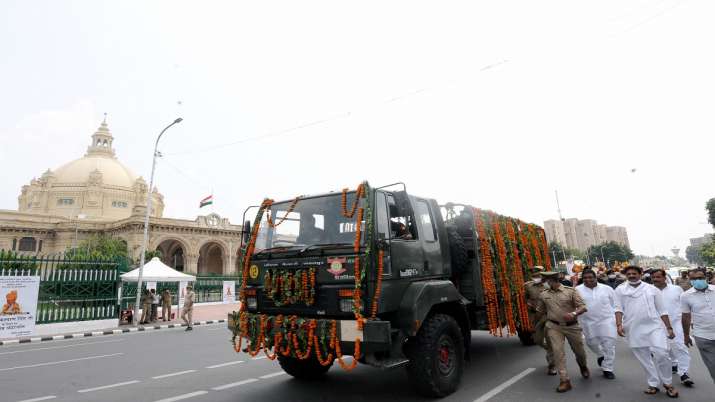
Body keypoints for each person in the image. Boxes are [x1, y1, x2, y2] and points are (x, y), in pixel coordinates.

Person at [615, 265, 678, 397]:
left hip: (654, 326)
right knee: (644, 359)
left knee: (662, 354)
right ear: (626, 275)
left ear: (641, 274)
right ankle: (653, 384)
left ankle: (668, 383)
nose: (631, 276)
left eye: (634, 273)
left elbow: (662, 310)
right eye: (629, 274)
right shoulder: (620, 290)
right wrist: (619, 324)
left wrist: (669, 327)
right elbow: (618, 308)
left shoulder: (652, 289)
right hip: (632, 327)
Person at [536, 271, 589, 393]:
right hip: (554, 327)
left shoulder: (571, 291)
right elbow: (540, 310)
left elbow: (583, 307)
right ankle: (565, 380)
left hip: (572, 326)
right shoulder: (543, 294)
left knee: (579, 351)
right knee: (558, 352)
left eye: (546, 280)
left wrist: (574, 313)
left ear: (553, 280)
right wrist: (535, 322)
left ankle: (583, 366)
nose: (544, 283)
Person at [651, 268, 694, 387]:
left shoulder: (676, 289)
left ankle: (684, 373)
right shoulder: (649, 291)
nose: (655, 279)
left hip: (676, 324)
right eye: (653, 277)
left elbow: (685, 306)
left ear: (665, 278)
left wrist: (689, 321)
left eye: (658, 277)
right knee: (663, 351)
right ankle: (673, 364)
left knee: (681, 347)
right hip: (657, 326)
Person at [576, 269, 617, 379]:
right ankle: (600, 355)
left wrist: (617, 321)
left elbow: (615, 305)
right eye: (585, 278)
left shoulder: (607, 289)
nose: (588, 280)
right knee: (591, 343)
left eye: (590, 277)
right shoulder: (577, 290)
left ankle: (608, 368)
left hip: (607, 320)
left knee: (609, 345)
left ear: (595, 277)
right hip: (587, 322)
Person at [681, 267, 715, 383]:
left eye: (700, 278)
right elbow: (686, 317)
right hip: (703, 336)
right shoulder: (685, 296)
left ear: (706, 277)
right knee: (713, 368)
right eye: (693, 279)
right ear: (690, 280)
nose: (697, 280)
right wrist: (686, 336)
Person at [524, 266, 555, 375]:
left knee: (550, 339)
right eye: (533, 275)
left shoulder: (549, 285)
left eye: (538, 274)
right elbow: (525, 298)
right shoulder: (527, 286)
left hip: (549, 315)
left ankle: (552, 364)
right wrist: (529, 304)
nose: (535, 276)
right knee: (537, 340)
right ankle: (550, 350)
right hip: (536, 316)